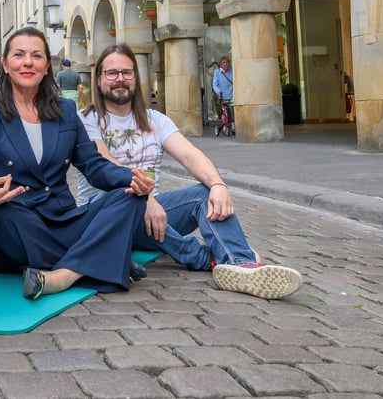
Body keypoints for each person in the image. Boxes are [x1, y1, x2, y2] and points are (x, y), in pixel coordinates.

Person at [77, 44, 302, 300]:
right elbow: (105, 163)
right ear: (99, 80)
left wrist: (218, 185)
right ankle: (210, 256)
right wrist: (142, 198)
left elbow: (189, 155)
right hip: (105, 216)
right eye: (112, 73)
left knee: (204, 193)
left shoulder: (155, 120)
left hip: (154, 216)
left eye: (127, 73)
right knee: (131, 202)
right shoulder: (86, 119)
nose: (120, 79)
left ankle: (241, 265)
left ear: (136, 78)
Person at [0, 27, 154, 303]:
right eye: (19, 55)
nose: (28, 62)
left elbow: (93, 165)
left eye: (37, 56)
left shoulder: (65, 111)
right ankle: (102, 261)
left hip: (61, 219)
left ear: (46, 67)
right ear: (5, 65)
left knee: (131, 198)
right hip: (13, 226)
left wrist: (131, 178)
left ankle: (65, 275)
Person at [212, 55, 234, 128]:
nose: (226, 64)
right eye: (224, 62)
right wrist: (218, 91)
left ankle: (233, 125)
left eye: (227, 62)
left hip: (232, 94)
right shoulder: (217, 72)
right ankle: (225, 123)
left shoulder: (232, 70)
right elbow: (215, 84)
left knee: (233, 110)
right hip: (223, 95)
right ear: (221, 64)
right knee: (225, 110)